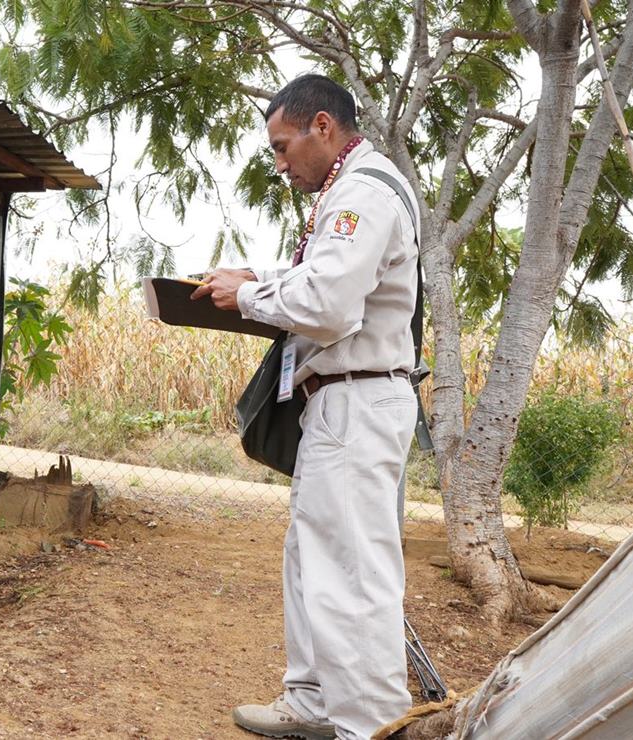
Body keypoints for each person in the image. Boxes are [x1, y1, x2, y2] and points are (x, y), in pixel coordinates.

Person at [191, 74, 419, 739]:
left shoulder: (362, 194)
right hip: (341, 400)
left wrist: (248, 298)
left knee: (350, 572)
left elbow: (327, 305)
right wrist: (257, 277)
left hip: (357, 398)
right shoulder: (348, 191)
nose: (280, 163)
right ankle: (315, 700)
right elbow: (325, 279)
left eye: (282, 146)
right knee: (314, 560)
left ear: (322, 126)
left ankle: (369, 726)